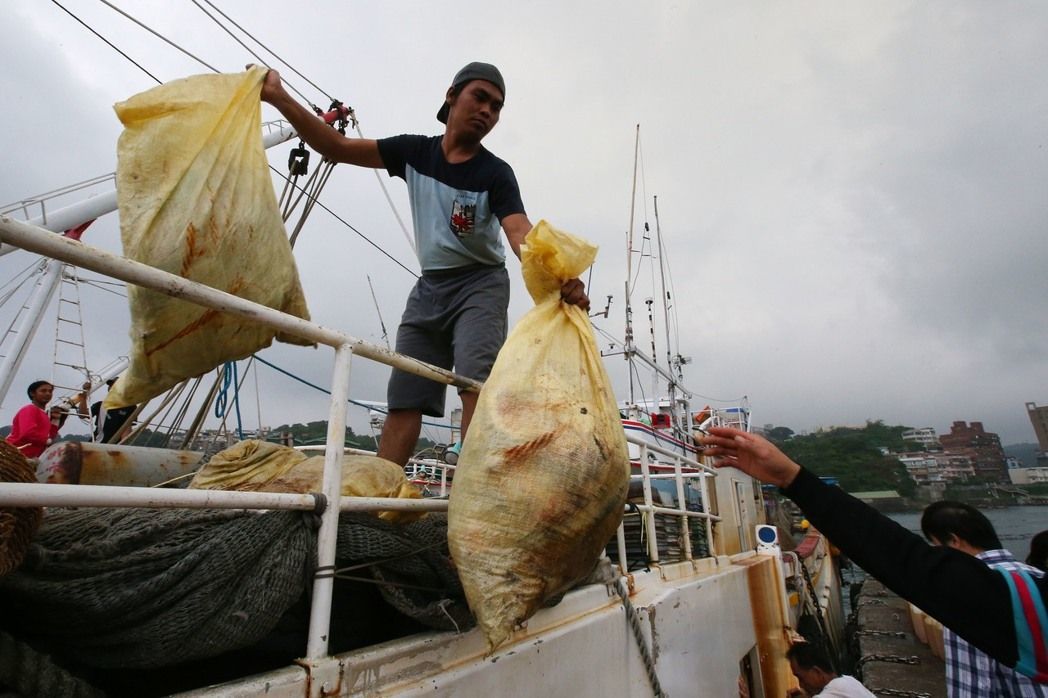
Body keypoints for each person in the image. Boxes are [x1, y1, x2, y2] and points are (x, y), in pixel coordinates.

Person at [258, 61, 589, 466]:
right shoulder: (414, 152)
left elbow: (519, 232)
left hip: (480, 285)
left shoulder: (496, 173)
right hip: (429, 288)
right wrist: (278, 96)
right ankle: (376, 501)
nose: (487, 110)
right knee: (405, 395)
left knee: (474, 382)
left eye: (497, 106)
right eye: (479, 97)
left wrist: (560, 277)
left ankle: (471, 496)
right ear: (452, 96)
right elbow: (336, 148)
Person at [698, 427, 1048, 685]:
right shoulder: (1024, 598)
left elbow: (903, 559)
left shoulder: (1021, 606)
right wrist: (790, 477)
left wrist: (793, 479)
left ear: (950, 541)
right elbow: (907, 560)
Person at [921, 501, 1048, 697]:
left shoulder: (964, 593)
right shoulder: (1037, 576)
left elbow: (971, 686)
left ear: (954, 541)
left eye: (936, 545)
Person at [5, 380, 87, 458]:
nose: (48, 393)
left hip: (27, 457)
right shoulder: (30, 409)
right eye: (43, 391)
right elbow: (28, 433)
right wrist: (48, 441)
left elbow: (50, 435)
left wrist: (56, 419)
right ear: (32, 393)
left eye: (50, 391)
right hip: (13, 454)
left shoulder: (44, 414)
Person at [786, 642, 875, 697]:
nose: (801, 685)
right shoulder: (849, 681)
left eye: (801, 678)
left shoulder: (833, 692)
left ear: (817, 672)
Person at [90, 378, 136, 444]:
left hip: (114, 446)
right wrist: (83, 394)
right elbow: (83, 414)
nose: (111, 387)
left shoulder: (130, 408)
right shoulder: (100, 405)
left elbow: (127, 429)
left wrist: (120, 447)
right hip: (96, 443)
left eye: (115, 386)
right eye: (111, 385)